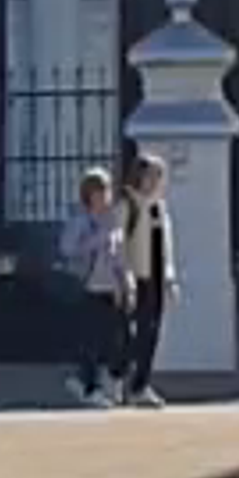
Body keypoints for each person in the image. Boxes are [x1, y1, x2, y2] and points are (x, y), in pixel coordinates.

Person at [58, 167, 129, 404]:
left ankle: (108, 381)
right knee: (91, 340)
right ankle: (88, 386)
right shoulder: (81, 221)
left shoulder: (113, 222)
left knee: (117, 339)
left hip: (111, 288)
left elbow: (119, 255)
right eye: (98, 192)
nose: (103, 197)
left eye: (106, 191)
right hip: (88, 286)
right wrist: (94, 241)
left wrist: (124, 283)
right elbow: (67, 249)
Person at [116, 139, 175, 403]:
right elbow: (118, 244)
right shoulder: (127, 204)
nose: (155, 182)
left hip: (157, 277)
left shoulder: (158, 208)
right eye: (150, 176)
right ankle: (119, 377)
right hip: (135, 277)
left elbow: (165, 244)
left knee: (151, 332)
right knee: (132, 332)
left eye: (158, 177)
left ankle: (141, 384)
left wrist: (169, 277)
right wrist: (124, 275)